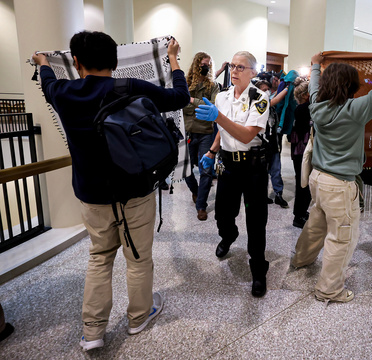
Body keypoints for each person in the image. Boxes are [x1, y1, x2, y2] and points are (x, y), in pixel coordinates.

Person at [32, 31, 189, 351]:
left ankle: (92, 332)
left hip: (92, 195)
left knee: (100, 258)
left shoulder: (64, 92)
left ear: (76, 63)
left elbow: (47, 85)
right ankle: (139, 317)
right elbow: (179, 97)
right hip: (135, 190)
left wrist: (44, 63)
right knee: (139, 258)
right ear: (116, 62)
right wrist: (172, 59)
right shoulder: (130, 87)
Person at [291, 48, 372, 304]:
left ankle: (300, 260)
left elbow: (315, 88)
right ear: (351, 86)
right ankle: (329, 290)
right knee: (341, 238)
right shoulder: (356, 109)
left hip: (318, 179)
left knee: (316, 223)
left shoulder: (317, 106)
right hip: (339, 185)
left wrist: (315, 65)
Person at [195, 51, 270, 297]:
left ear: (253, 72)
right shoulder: (222, 97)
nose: (235, 70)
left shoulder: (260, 98)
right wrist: (212, 152)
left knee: (256, 220)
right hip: (228, 164)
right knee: (224, 215)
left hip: (253, 167)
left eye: (241, 67)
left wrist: (219, 118)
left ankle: (258, 269)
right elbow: (222, 130)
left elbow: (247, 134)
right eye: (233, 66)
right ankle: (229, 235)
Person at [183, 52, 220, 220]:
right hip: (188, 131)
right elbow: (180, 104)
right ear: (197, 65)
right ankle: (196, 192)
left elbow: (211, 106)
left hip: (206, 131)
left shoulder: (213, 85)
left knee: (206, 170)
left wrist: (191, 101)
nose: (207, 68)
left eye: (209, 65)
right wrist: (193, 102)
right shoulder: (185, 82)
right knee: (185, 170)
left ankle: (201, 205)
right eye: (204, 64)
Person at [254, 79, 289, 207]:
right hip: (261, 146)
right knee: (262, 172)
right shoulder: (257, 105)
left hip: (273, 144)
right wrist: (286, 89)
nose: (266, 92)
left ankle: (278, 194)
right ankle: (262, 195)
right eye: (263, 90)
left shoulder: (272, 109)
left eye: (267, 90)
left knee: (276, 170)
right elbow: (275, 100)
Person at [290, 79, 312, 228]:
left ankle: (301, 212)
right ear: (305, 95)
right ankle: (299, 215)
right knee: (303, 183)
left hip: (300, 149)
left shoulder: (302, 107)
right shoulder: (305, 108)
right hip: (301, 150)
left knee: (304, 182)